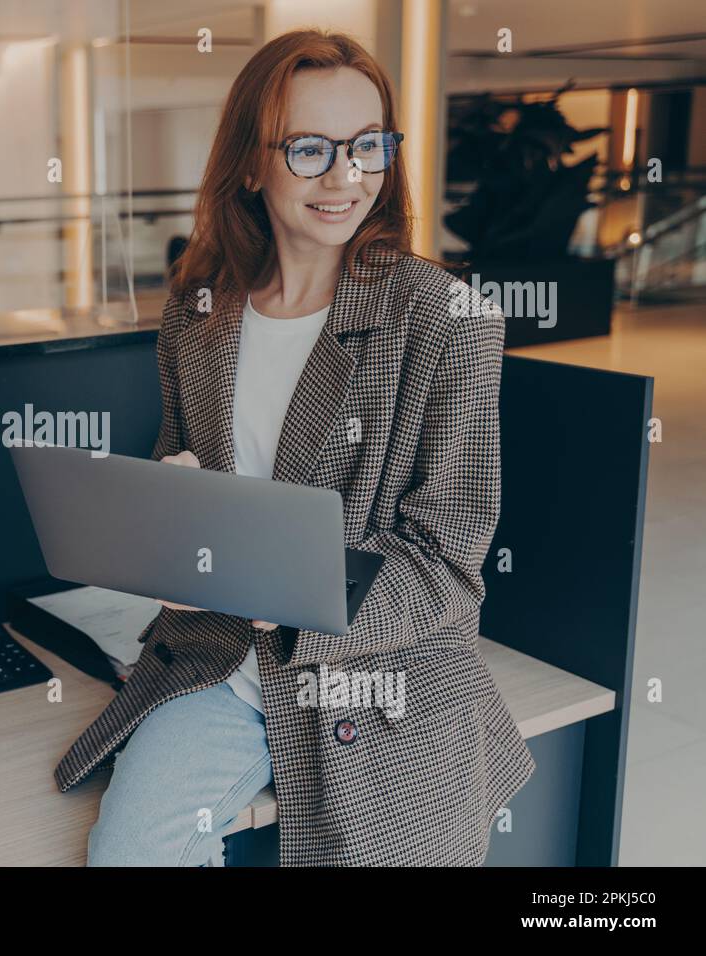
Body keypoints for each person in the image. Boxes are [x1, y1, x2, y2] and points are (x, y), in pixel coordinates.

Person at [54, 28, 536, 866]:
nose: (345, 177)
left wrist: (304, 591)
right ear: (251, 163)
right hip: (226, 668)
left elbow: (451, 563)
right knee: (125, 853)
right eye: (310, 149)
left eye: (366, 147)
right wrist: (176, 531)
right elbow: (186, 487)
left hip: (386, 676)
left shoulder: (445, 317)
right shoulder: (198, 314)